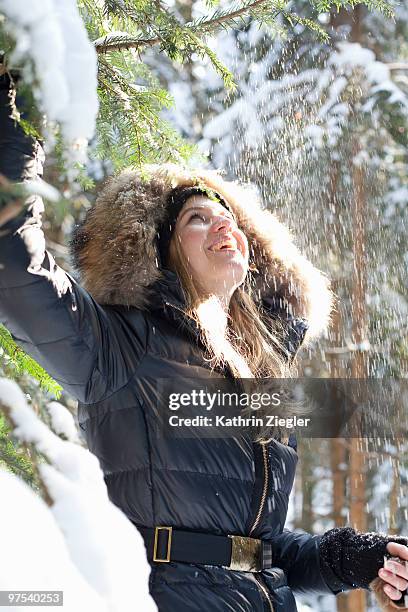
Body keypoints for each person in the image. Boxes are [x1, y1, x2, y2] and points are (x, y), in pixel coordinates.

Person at [0, 68, 407, 612]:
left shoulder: (263, 380)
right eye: (198, 218)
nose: (225, 227)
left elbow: (256, 551)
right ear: (159, 250)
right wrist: (13, 127)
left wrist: (355, 559)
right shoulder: (122, 346)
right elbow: (15, 267)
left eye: (230, 218)